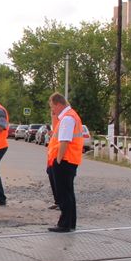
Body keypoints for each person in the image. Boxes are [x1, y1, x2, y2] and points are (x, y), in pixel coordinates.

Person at [47, 92, 84, 232]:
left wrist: (58, 160)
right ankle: (70, 222)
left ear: (58, 104)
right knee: (68, 192)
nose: (52, 110)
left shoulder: (67, 118)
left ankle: (64, 224)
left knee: (63, 193)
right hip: (70, 159)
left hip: (64, 160)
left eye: (52, 106)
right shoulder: (71, 116)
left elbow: (64, 141)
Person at [45, 115, 60, 210]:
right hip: (51, 158)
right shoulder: (55, 127)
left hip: (58, 158)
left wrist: (58, 160)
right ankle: (57, 201)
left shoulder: (64, 122)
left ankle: (61, 203)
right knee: (53, 180)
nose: (52, 114)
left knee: (59, 183)